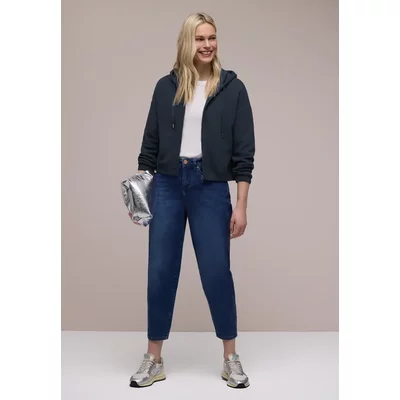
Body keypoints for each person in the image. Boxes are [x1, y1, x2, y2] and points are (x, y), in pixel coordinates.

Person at [129, 12, 255, 389]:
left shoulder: (233, 89)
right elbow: (149, 146)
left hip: (210, 186)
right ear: (187, 42)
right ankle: (154, 359)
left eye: (212, 37)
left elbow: (244, 154)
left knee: (216, 271)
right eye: (199, 38)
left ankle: (230, 358)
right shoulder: (165, 87)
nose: (207, 45)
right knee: (160, 271)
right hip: (167, 185)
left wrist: (241, 205)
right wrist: (140, 199)